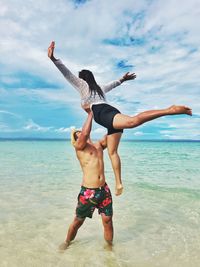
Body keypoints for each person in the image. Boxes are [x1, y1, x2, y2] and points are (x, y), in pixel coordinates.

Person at [48, 41, 192, 196]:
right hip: (109, 112)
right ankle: (118, 184)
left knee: (132, 121)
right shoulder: (100, 88)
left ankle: (169, 110)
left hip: (102, 114)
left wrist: (54, 59)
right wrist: (123, 79)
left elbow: (66, 73)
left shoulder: (82, 85)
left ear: (82, 78)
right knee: (112, 152)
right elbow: (113, 84)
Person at [59, 111, 113, 250]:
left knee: (107, 220)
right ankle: (67, 242)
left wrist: (112, 118)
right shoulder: (79, 148)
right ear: (76, 140)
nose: (81, 135)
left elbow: (112, 133)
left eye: (81, 133)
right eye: (78, 135)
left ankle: (110, 248)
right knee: (78, 221)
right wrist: (91, 113)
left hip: (104, 190)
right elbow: (84, 133)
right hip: (89, 192)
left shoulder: (99, 146)